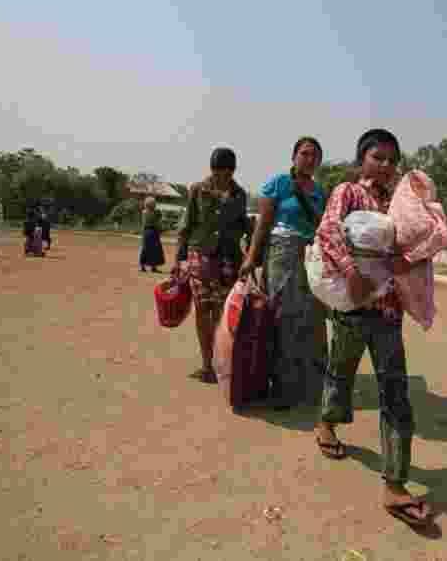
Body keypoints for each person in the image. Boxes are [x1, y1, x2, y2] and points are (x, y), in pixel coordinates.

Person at [312, 128, 431, 528]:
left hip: (388, 311)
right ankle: (327, 423)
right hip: (351, 305)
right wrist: (351, 273)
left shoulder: (402, 204)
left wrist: (409, 260)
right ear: (363, 158)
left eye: (391, 160)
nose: (384, 166)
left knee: (395, 390)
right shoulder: (348, 192)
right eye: (377, 157)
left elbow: (416, 243)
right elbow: (328, 231)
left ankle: (395, 482)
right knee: (341, 370)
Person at [241, 137, 329, 409]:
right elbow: (263, 225)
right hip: (281, 255)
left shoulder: (319, 193)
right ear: (293, 157)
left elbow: (323, 229)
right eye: (305, 153)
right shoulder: (278, 183)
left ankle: (305, 385)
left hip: (311, 258)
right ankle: (279, 386)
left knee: (310, 320)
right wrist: (251, 257)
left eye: (315, 155)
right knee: (281, 318)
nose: (310, 159)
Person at [176, 148, 252, 384]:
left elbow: (241, 225)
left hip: (228, 261)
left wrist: (252, 249)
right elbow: (187, 224)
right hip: (200, 258)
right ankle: (206, 365)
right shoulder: (198, 190)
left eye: (227, 173)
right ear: (212, 170)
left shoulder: (240, 195)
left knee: (221, 315)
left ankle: (220, 365)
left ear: (233, 171)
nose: (222, 177)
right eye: (218, 172)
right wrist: (179, 258)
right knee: (202, 311)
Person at [139, 197, 166, 273]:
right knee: (155, 250)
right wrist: (161, 229)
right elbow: (156, 223)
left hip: (146, 232)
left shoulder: (144, 212)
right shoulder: (154, 213)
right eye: (154, 204)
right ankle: (153, 267)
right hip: (153, 231)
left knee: (145, 249)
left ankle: (143, 266)